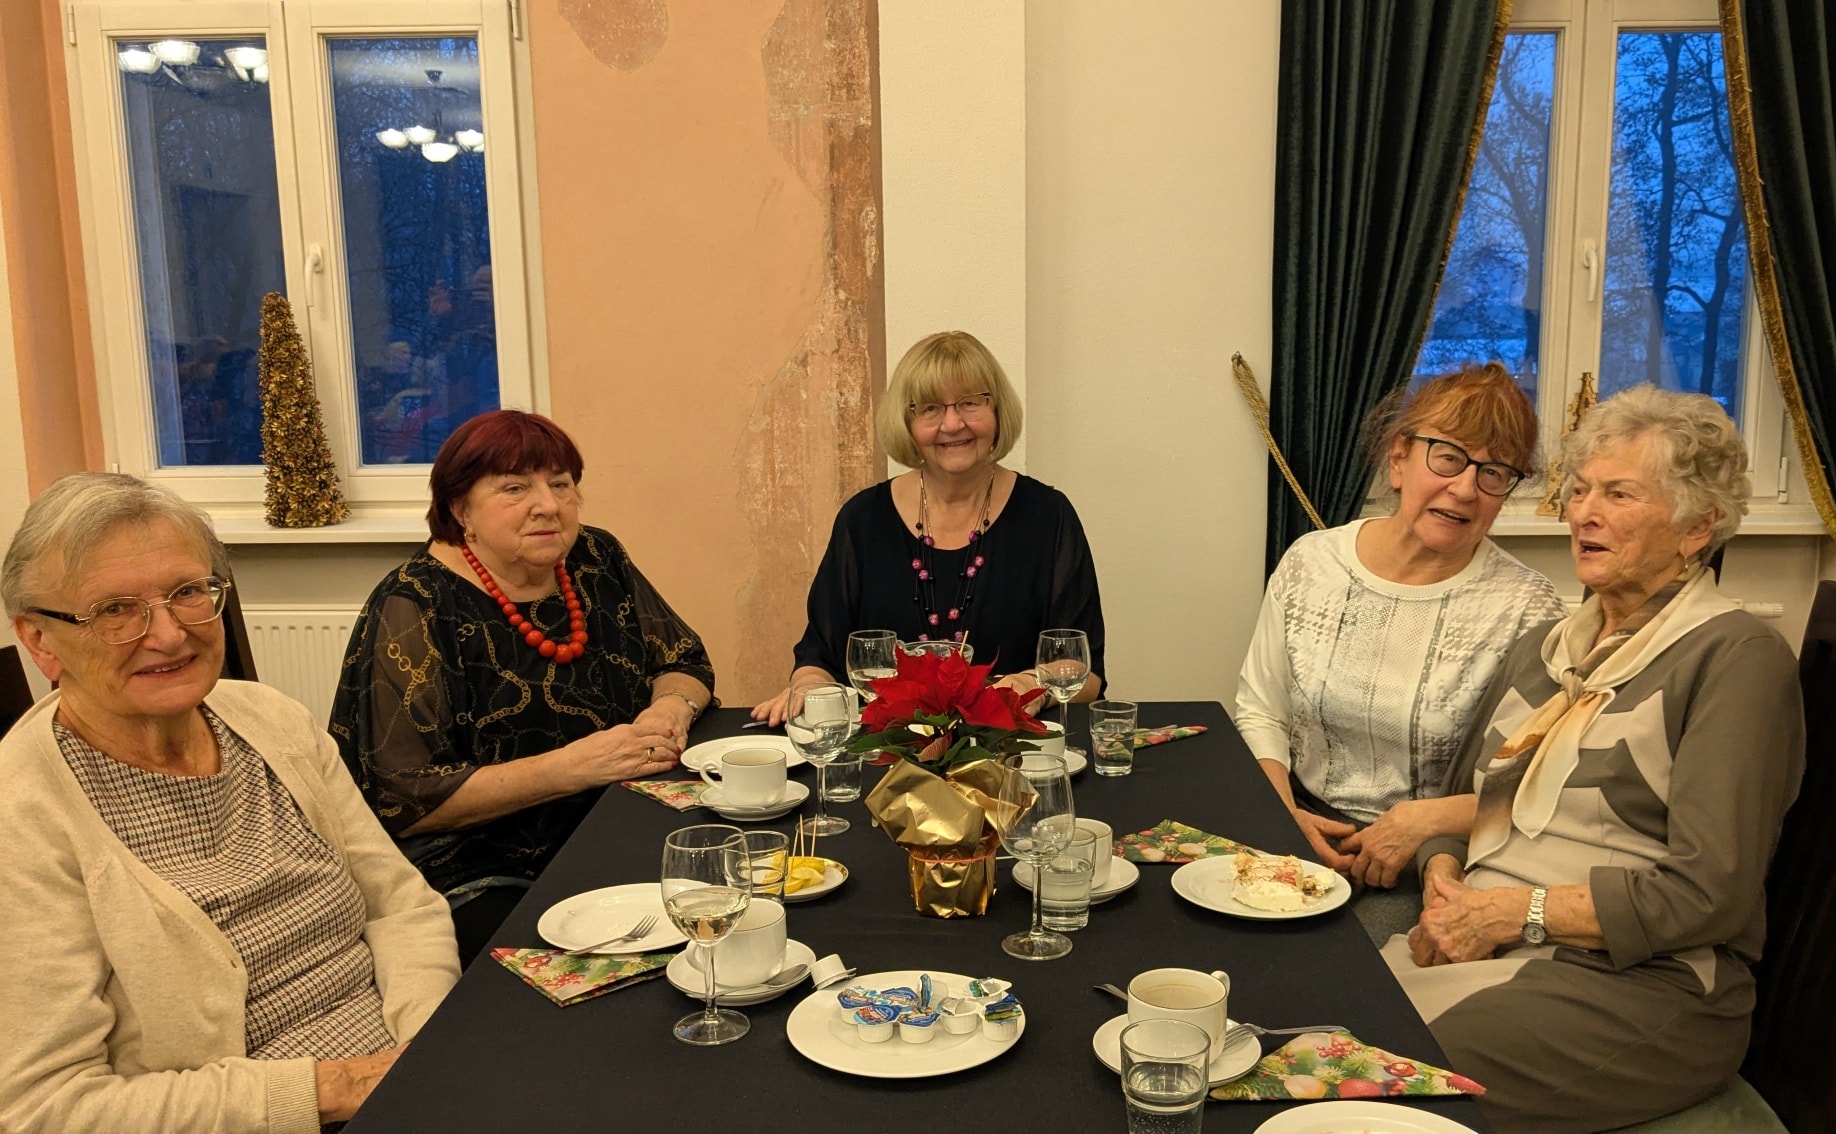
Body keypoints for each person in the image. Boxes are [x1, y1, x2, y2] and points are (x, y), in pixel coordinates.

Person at [1386, 385, 1804, 1132]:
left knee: (1373, 1066)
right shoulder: (1549, 648)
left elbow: (1710, 893)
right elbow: (1468, 800)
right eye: (1579, 490)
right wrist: (1445, 881)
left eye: (1619, 494)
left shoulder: (1737, 657)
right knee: (1305, 1010)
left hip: (1642, 983)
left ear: (1698, 526)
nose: (1583, 513)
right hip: (1496, 938)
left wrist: (1510, 912)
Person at [0, 473, 459, 1132]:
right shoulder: (22, 817)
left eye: (188, 592)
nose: (168, 634)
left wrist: (428, 1050)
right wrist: (334, 1089)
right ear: (40, 641)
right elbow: (43, 1107)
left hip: (410, 1069)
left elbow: (400, 906)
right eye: (115, 610)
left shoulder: (272, 720)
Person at [330, 410, 714, 964]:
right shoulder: (415, 604)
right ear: (460, 510)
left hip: (616, 819)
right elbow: (406, 800)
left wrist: (669, 710)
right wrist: (573, 767)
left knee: (735, 881)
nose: (548, 505)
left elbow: (684, 661)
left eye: (560, 484)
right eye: (515, 488)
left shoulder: (595, 558)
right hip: (481, 868)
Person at [1234, 363, 1562, 940]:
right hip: (1296, 820)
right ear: (1398, 458)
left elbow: (1535, 784)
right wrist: (1283, 815)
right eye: (1448, 457)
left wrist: (1424, 830)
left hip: (1430, 859)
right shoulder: (1311, 562)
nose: (1465, 488)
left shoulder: (1528, 609)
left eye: (1494, 472)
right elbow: (1262, 711)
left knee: (1352, 979)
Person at [753, 331, 1106, 723]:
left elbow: (1086, 674)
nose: (952, 424)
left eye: (970, 402)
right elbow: (820, 657)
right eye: (930, 408)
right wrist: (808, 687)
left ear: (997, 410)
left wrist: (1031, 683)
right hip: (886, 750)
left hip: (1011, 747)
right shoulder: (862, 520)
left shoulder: (1048, 516)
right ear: (906, 422)